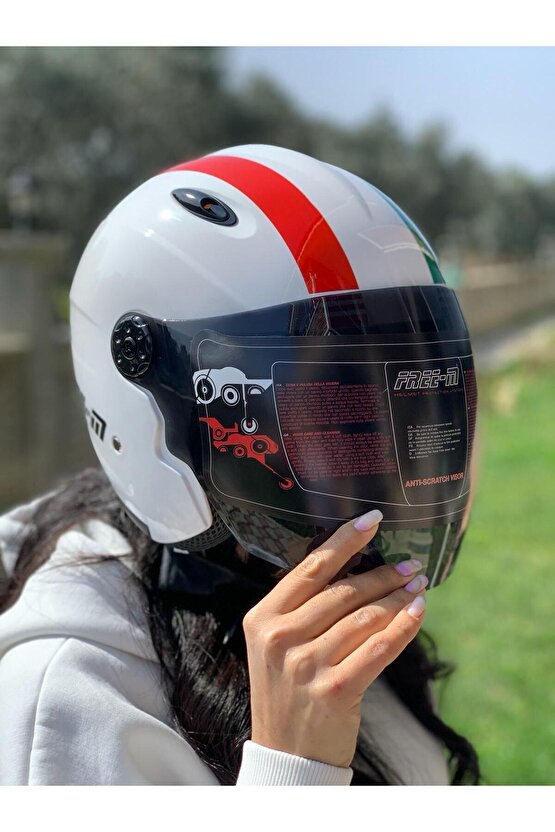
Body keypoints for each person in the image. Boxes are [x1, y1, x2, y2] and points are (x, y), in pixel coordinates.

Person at [0, 144, 481, 786]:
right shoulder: (64, 701)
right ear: (150, 409)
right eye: (331, 416)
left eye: (417, 400)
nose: (386, 480)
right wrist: (292, 771)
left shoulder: (297, 606)